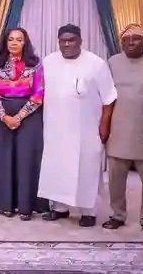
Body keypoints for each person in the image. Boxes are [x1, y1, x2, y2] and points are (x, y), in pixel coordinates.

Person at [38, 24, 117, 228]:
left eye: (71, 40)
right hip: (55, 128)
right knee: (57, 168)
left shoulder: (96, 64)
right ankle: (60, 208)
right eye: (62, 41)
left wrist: (105, 125)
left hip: (86, 130)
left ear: (80, 41)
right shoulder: (48, 61)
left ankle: (88, 212)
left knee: (86, 169)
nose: (67, 44)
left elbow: (109, 98)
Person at [104, 24, 143, 235]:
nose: (130, 43)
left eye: (136, 39)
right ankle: (117, 215)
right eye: (126, 40)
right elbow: (105, 94)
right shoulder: (113, 62)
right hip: (118, 128)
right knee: (116, 179)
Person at [0, 28, 46, 221]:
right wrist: (4, 117)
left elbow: (39, 94)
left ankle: (26, 206)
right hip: (3, 117)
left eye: (19, 40)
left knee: (26, 159)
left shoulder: (35, 65)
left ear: (25, 43)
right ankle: (6, 203)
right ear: (5, 43)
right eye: (11, 39)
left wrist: (19, 116)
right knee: (4, 159)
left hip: (30, 117)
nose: (14, 43)